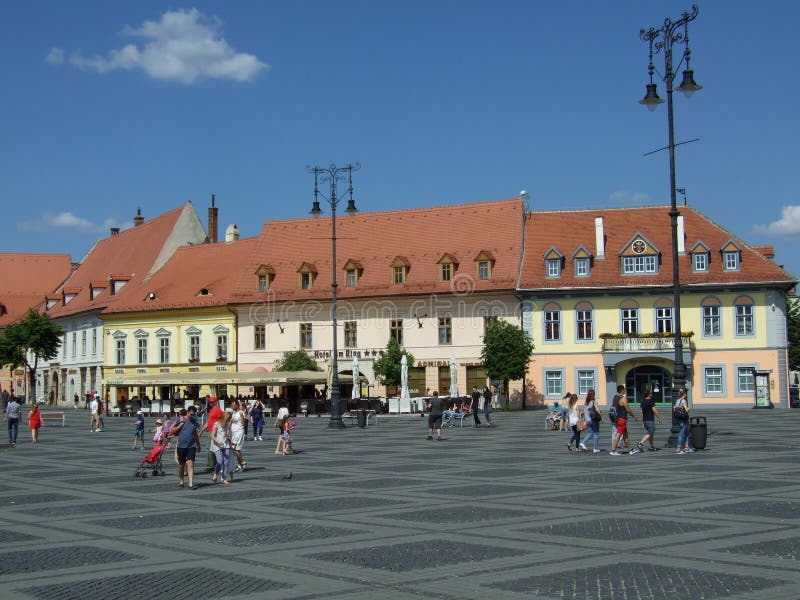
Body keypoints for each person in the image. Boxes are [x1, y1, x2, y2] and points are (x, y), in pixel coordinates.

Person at [171, 406, 201, 489]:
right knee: (182, 465)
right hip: (181, 446)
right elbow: (172, 430)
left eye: (193, 415)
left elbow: (195, 434)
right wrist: (180, 425)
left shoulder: (194, 422)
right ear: (187, 412)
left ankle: (191, 483)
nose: (192, 416)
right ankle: (181, 480)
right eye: (191, 414)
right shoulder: (180, 420)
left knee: (191, 463)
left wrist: (198, 444)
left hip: (191, 446)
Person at [609, 385, 637, 456]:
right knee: (618, 434)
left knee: (625, 435)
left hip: (617, 418)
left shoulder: (615, 397)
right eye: (624, 389)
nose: (625, 390)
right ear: (621, 390)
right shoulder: (623, 399)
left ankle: (631, 449)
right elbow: (627, 409)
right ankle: (613, 450)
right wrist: (633, 416)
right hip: (622, 419)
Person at [199, 397, 223, 472]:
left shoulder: (218, 410)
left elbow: (222, 421)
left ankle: (211, 465)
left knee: (209, 448)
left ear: (216, 402)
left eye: (212, 402)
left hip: (214, 432)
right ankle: (214, 464)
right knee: (211, 448)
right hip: (210, 431)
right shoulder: (212, 410)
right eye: (210, 402)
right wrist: (201, 431)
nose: (211, 403)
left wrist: (220, 431)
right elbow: (208, 422)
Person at [210, 411, 232, 484]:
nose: (229, 421)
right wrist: (218, 441)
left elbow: (226, 435)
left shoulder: (226, 425)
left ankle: (224, 478)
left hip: (225, 444)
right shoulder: (216, 424)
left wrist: (229, 440)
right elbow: (212, 436)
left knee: (226, 462)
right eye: (228, 419)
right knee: (219, 461)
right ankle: (216, 473)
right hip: (217, 445)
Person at [674, 388, 694, 455]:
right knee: (682, 434)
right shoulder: (683, 401)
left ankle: (687, 447)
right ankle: (679, 449)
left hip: (679, 419)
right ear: (684, 394)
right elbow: (686, 410)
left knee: (687, 433)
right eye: (685, 394)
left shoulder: (677, 400)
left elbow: (675, 408)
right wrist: (689, 409)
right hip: (684, 419)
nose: (686, 395)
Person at [229, 399, 247, 472]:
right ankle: (239, 465)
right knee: (235, 450)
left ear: (236, 405)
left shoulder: (240, 413)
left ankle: (243, 462)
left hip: (239, 433)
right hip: (234, 434)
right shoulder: (234, 412)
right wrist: (228, 430)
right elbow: (231, 421)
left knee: (235, 449)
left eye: (232, 405)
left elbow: (243, 423)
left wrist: (243, 433)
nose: (231, 407)